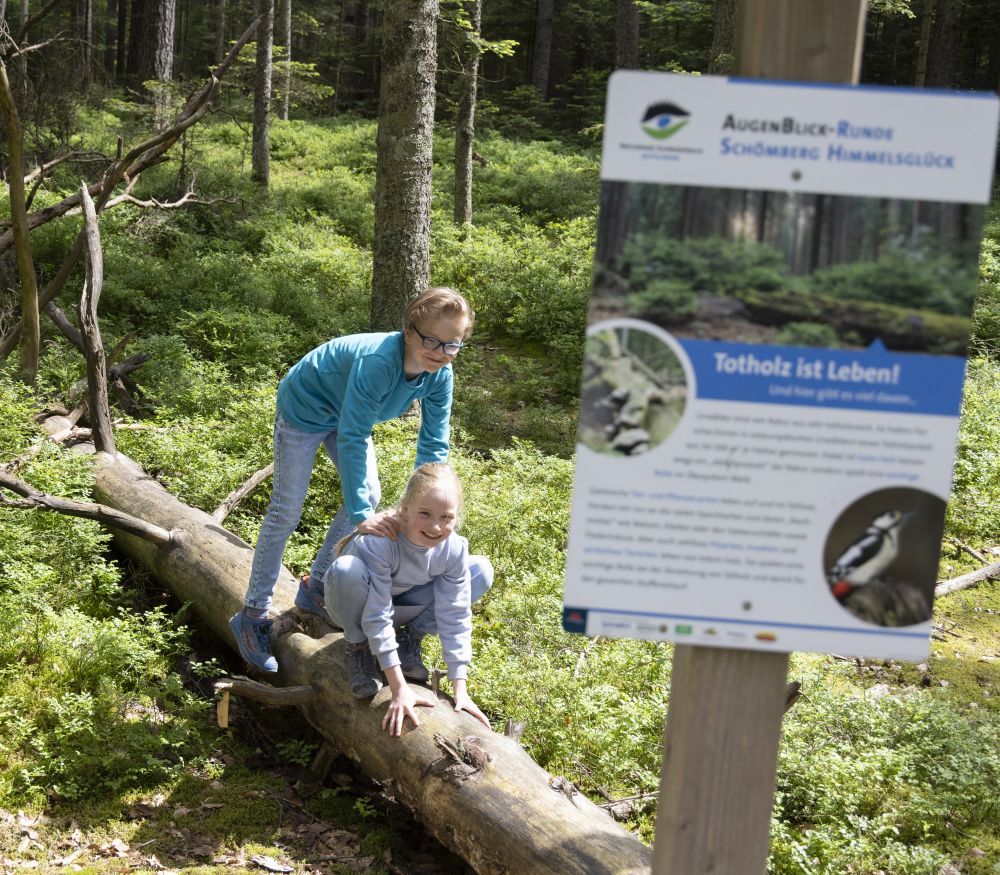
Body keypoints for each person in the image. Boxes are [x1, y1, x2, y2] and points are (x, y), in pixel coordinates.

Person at [229, 287, 475, 674]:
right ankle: (252, 614)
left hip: (345, 412)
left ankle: (315, 589)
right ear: (409, 332)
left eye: (452, 345)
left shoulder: (440, 374)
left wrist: (424, 504)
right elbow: (354, 434)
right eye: (431, 340)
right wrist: (362, 515)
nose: (440, 352)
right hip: (306, 408)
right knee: (287, 510)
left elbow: (433, 443)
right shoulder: (379, 362)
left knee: (369, 492)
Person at [325, 462, 493, 736]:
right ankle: (358, 647)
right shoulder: (381, 541)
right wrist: (399, 688)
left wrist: (460, 688)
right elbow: (377, 613)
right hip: (354, 602)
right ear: (405, 510)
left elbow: (455, 613)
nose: (436, 526)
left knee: (481, 570)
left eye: (446, 517)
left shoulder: (453, 548)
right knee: (347, 569)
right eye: (425, 514)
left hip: (402, 607)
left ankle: (408, 639)